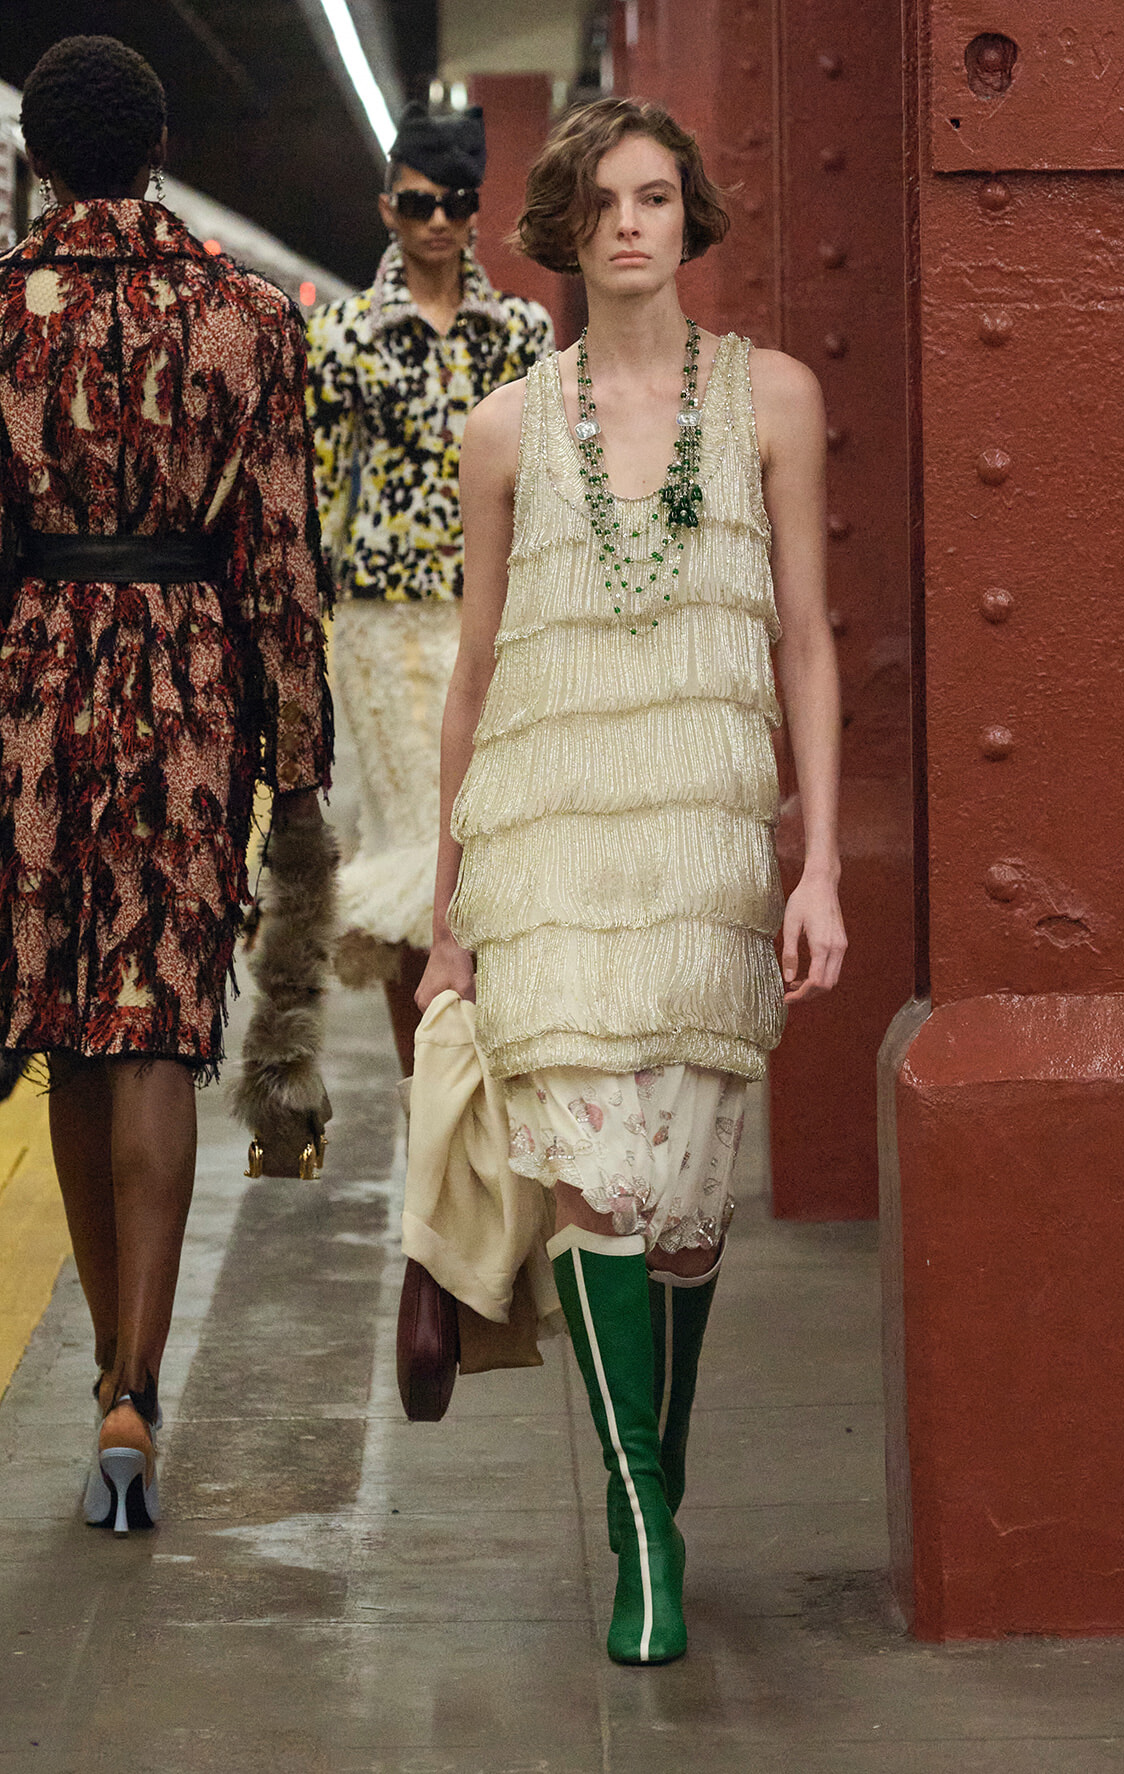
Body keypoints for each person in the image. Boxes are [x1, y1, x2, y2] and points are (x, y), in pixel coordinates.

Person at [417, 97, 846, 1664]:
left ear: (690, 215)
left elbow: (808, 641)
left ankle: (654, 1475)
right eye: (600, 202)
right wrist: (451, 914)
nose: (628, 225)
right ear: (560, 226)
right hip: (547, 841)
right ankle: (643, 1526)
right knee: (593, 1181)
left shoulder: (775, 399)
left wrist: (821, 862)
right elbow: (473, 675)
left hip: (707, 843)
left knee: (685, 1214)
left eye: (654, 197)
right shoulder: (505, 430)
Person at [0, 36, 333, 1532]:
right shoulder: (247, 315)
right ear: (158, 151)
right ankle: (141, 1380)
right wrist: (299, 771)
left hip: (36, 685)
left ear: (39, 161)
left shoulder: (2, 311)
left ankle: (101, 1386)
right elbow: (282, 559)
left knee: (71, 1028)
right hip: (191, 683)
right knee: (155, 1030)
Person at [307, 100, 553, 1076]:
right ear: (387, 207)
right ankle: (433, 1099)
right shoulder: (342, 335)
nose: (438, 220)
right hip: (385, 628)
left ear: (476, 208)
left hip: (506, 620)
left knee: (499, 845)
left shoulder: (522, 334)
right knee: (423, 845)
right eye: (418, 204)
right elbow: (319, 485)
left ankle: (493, 1091)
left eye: (455, 201)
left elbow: (551, 482)